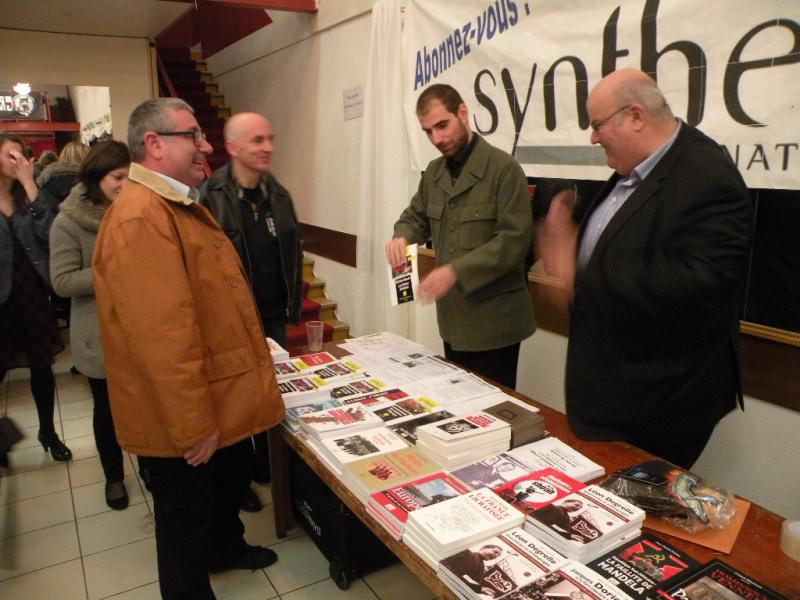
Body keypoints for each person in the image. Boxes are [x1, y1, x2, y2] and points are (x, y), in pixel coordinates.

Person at [93, 98, 284, 599]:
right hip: (182, 412)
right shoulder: (141, 216)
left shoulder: (173, 201)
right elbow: (161, 337)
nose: (204, 145)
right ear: (154, 144)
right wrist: (191, 423)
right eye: (192, 135)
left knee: (221, 493)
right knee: (183, 522)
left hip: (212, 391)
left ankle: (226, 549)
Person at [538, 69, 752, 469]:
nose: (592, 137)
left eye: (597, 124)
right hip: (610, 399)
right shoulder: (632, 170)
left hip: (658, 409)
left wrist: (578, 272)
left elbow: (697, 287)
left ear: (635, 116)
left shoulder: (707, 177)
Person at [386, 84, 534, 390]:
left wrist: (455, 271)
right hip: (453, 321)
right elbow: (415, 217)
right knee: (459, 410)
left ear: (463, 113)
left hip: (495, 323)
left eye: (442, 125)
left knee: (492, 413)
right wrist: (402, 237)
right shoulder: (435, 172)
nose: (437, 139)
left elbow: (514, 241)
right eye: (428, 131)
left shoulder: (504, 169)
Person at [199, 111, 303, 511]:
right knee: (236, 399)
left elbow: (292, 249)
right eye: (258, 140)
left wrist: (292, 302)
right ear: (233, 147)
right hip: (231, 319)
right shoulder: (210, 197)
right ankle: (238, 478)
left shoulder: (278, 194)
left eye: (270, 138)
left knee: (268, 393)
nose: (268, 147)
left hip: (272, 313)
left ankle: (266, 464)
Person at [49, 140, 131, 510]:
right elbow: (62, 281)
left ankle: (149, 464)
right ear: (97, 176)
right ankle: (114, 477)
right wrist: (111, 272)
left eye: (130, 177)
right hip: (97, 332)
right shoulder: (68, 221)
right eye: (117, 177)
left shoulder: (134, 211)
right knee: (107, 410)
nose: (125, 184)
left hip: (138, 327)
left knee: (142, 407)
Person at [0, 134, 72, 462]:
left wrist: (30, 185)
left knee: (41, 367)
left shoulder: (29, 194)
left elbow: (52, 233)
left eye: (21, 155)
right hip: (1, 298)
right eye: (9, 156)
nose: (19, 161)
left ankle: (49, 432)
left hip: (31, 292)